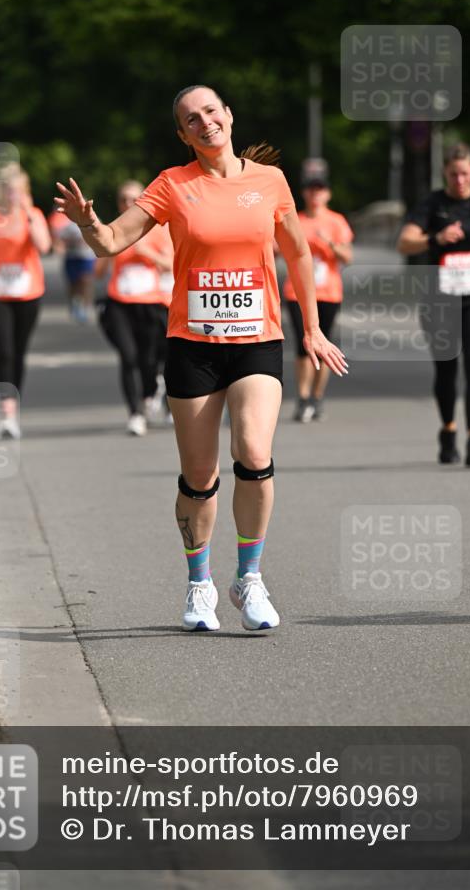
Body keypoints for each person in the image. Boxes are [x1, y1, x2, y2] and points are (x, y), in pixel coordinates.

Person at [55, 85, 347, 632]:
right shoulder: (173, 184)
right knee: (198, 474)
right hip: (192, 344)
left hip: (256, 338)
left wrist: (311, 328)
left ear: (229, 116)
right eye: (192, 119)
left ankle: (250, 579)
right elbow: (110, 242)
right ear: (183, 134)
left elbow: (298, 252)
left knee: (254, 451)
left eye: (211, 111)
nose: (205, 123)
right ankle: (199, 585)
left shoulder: (270, 182)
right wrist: (86, 222)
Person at [397, 142, 470, 467]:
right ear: (446, 171)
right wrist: (436, 239)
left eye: (465, 173)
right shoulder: (432, 204)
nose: (460, 179)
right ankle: (448, 431)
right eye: (454, 173)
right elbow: (405, 241)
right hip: (439, 299)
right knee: (447, 368)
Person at [94, 180, 175, 436]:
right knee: (128, 357)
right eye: (123, 200)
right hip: (120, 303)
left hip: (152, 304)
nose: (128, 205)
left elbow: (171, 265)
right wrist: (106, 251)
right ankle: (135, 413)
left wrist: (146, 253)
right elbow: (98, 271)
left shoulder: (158, 229)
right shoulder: (114, 230)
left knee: (149, 360)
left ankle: (152, 392)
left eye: (133, 199)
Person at [0, 163, 51, 439]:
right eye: (7, 191)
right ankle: (7, 414)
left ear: (24, 191)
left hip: (28, 292)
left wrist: (27, 215)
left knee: (19, 352)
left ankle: (14, 405)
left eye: (17, 191)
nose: (12, 196)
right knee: (5, 351)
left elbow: (43, 246)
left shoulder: (33, 215)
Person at [281, 163, 353, 422]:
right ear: (304, 194)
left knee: (324, 346)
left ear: (327, 194)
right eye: (311, 190)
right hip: (297, 291)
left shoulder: (336, 221)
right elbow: (278, 248)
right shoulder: (295, 220)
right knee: (302, 346)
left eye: (320, 189)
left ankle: (317, 396)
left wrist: (329, 243)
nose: (315, 194)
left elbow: (348, 256)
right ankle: (302, 397)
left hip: (329, 292)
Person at [48, 205, 97, 323]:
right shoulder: (67, 224)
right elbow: (59, 240)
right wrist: (63, 246)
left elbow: (99, 235)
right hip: (72, 257)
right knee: (73, 284)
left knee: (85, 281)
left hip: (86, 257)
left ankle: (86, 307)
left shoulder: (94, 219)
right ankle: (74, 304)